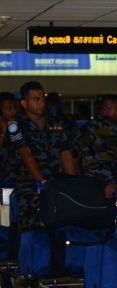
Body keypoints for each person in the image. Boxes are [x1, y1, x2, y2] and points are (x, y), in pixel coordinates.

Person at [7, 82, 76, 233]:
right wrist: (44, 185)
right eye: (36, 99)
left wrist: (71, 184)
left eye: (43, 99)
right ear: (24, 103)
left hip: (58, 184)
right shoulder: (16, 124)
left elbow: (66, 154)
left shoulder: (55, 121)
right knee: (31, 232)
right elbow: (26, 155)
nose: (41, 103)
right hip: (31, 187)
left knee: (60, 230)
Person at [71, 94, 117, 197]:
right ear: (108, 110)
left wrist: (80, 183)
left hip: (87, 191)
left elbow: (73, 162)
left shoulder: (82, 130)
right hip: (113, 191)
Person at [0, 92, 20, 183]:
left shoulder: (17, 126)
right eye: (9, 108)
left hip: (17, 177)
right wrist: (3, 133)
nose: (14, 111)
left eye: (15, 107)